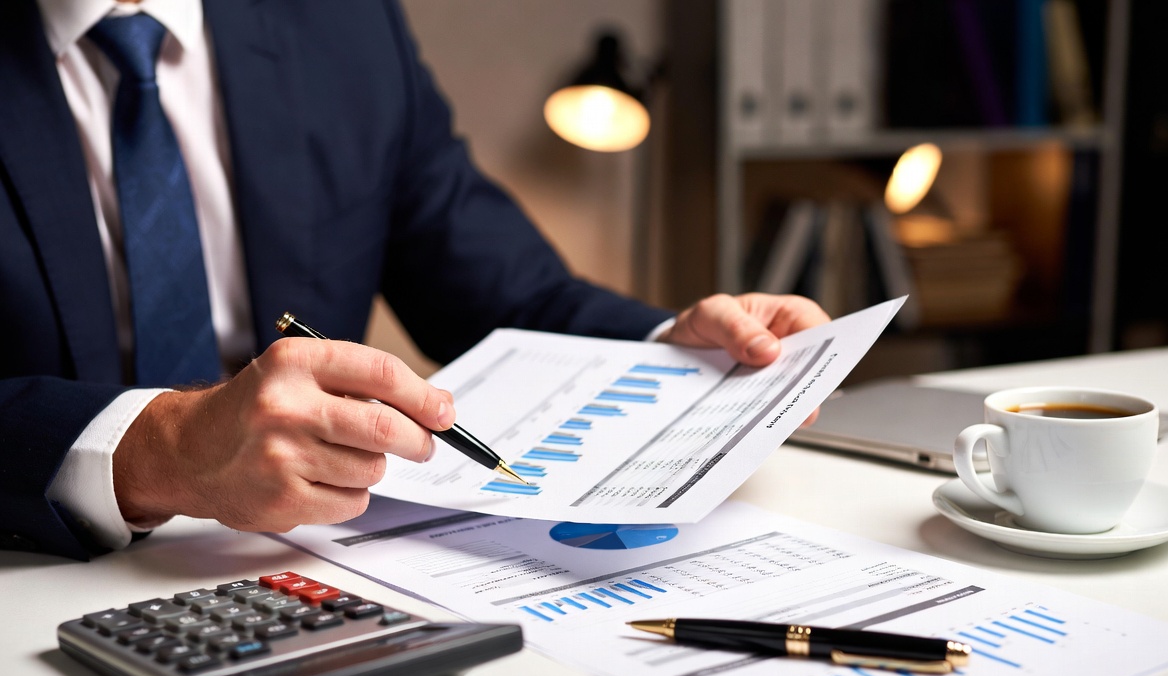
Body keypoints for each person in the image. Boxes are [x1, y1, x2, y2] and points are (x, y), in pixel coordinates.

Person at [0, 0, 829, 560]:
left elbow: (508, 288)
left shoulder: (344, 25)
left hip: (319, 567)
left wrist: (671, 348)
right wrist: (163, 449)